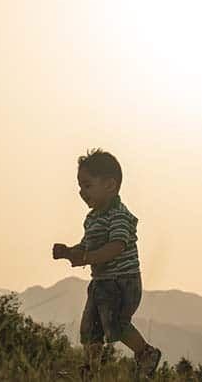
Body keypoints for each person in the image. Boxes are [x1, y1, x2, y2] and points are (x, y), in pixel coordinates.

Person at [52, 148, 161, 378]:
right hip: (101, 282)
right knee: (89, 328)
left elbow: (116, 246)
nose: (82, 192)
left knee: (116, 324)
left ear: (110, 185)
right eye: (80, 186)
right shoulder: (92, 218)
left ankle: (145, 353)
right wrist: (69, 252)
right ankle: (91, 370)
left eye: (88, 185)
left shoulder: (119, 215)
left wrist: (87, 258)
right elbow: (86, 246)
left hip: (122, 283)